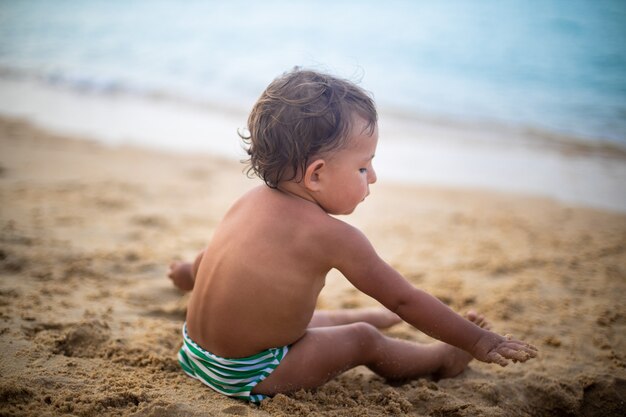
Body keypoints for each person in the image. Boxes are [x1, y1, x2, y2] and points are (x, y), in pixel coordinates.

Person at [168, 68, 537, 403]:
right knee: (361, 339)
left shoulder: (248, 201)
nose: (372, 177)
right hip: (246, 374)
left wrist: (186, 273)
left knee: (312, 323)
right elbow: (405, 299)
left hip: (195, 353)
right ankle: (441, 360)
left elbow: (211, 258)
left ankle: (376, 316)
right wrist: (479, 341)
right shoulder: (335, 236)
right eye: (363, 166)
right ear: (316, 175)